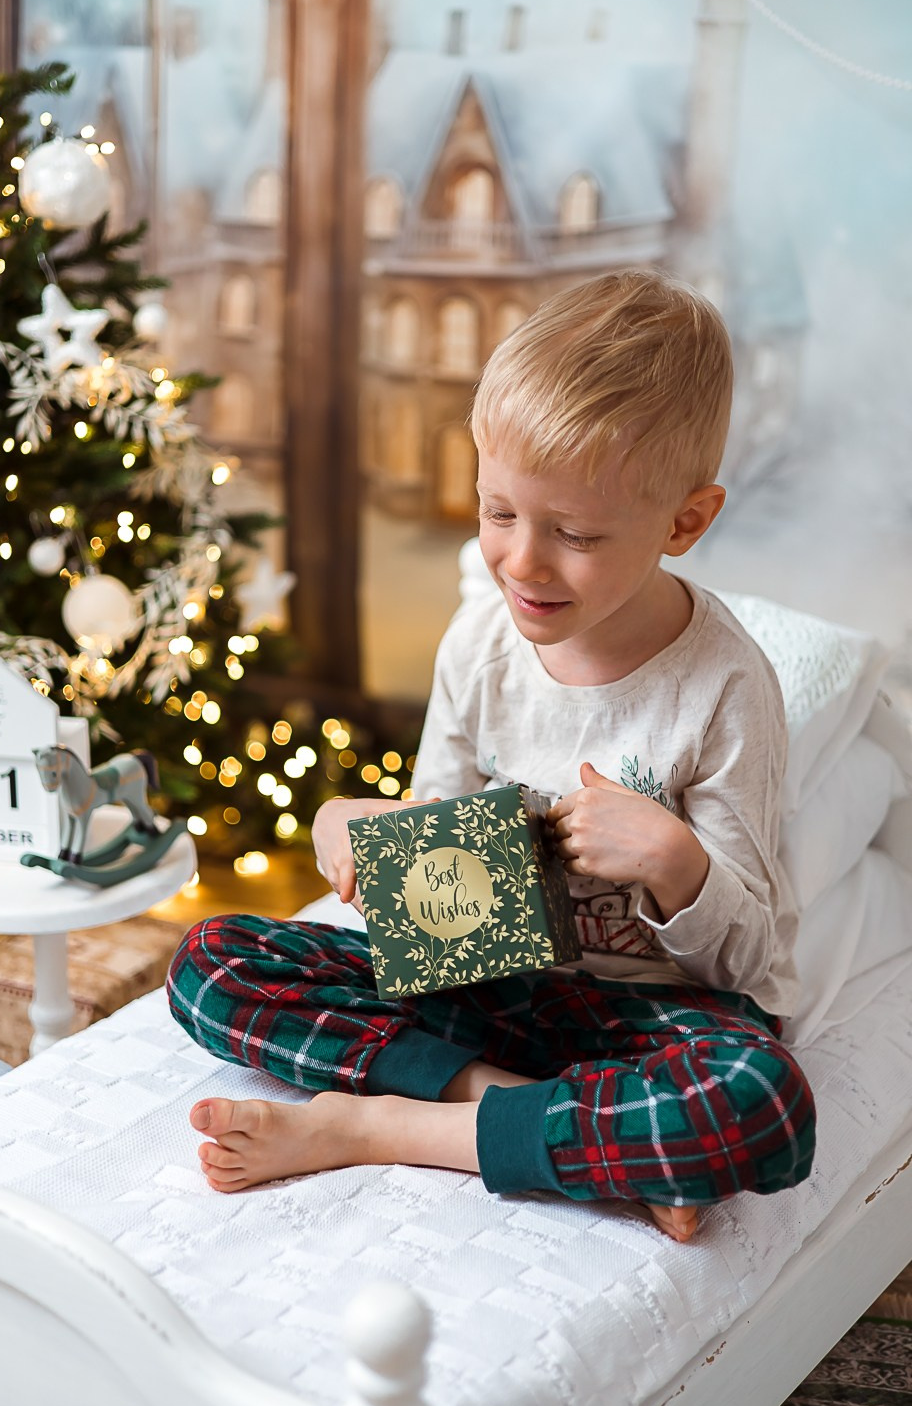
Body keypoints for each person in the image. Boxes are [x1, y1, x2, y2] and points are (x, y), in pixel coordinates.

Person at [167, 269, 815, 1244]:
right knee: (210, 962)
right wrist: (351, 831)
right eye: (498, 512)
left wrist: (675, 863)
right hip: (491, 998)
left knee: (758, 1100)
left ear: (684, 522)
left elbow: (748, 963)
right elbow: (433, 895)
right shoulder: (479, 647)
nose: (521, 561)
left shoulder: (723, 686)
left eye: (574, 533)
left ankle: (383, 1125)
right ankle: (531, 1119)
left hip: (648, 1018)